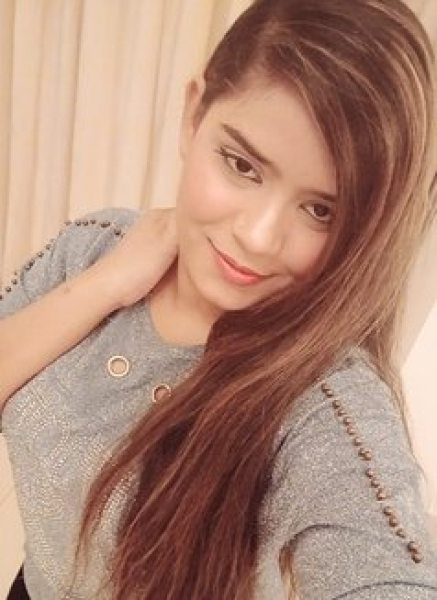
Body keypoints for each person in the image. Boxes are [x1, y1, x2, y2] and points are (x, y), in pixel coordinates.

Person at [1, 0, 437, 597]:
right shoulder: (94, 245)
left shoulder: (325, 402)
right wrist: (104, 286)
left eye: (320, 210)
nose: (258, 237)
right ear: (192, 115)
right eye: (242, 166)